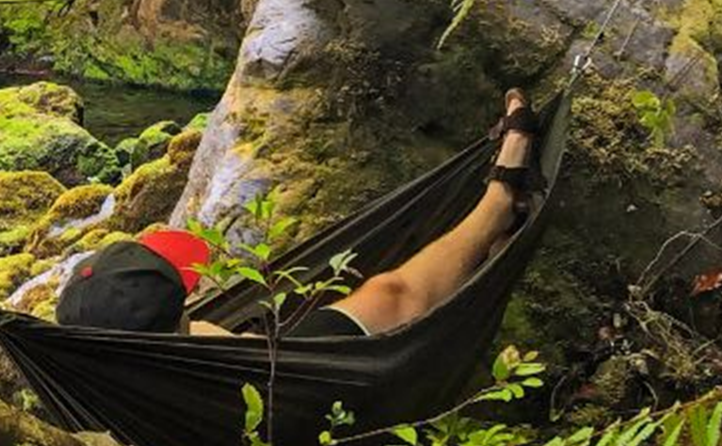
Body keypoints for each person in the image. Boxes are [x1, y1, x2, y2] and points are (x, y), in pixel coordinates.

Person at [55, 89, 541, 339]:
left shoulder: (94, 387)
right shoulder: (207, 357)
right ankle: (498, 203)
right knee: (391, 293)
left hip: (196, 390)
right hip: (285, 394)